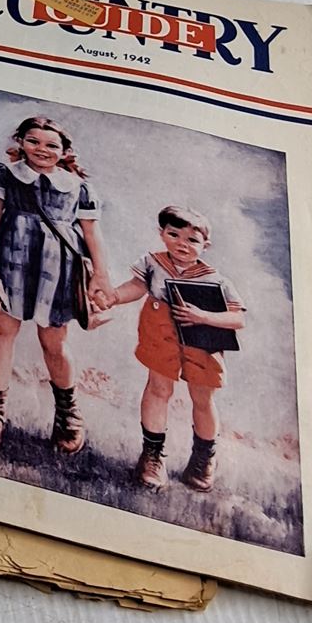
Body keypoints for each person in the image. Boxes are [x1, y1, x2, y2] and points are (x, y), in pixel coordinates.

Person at [0, 115, 111, 454]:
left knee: (54, 340)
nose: (41, 149)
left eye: (51, 145)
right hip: (11, 258)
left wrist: (101, 274)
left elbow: (91, 233)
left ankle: (68, 413)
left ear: (65, 150)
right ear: (20, 141)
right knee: (2, 330)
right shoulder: (5, 174)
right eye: (33, 141)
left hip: (57, 268)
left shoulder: (78, 187)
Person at [98, 206, 246, 492]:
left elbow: (238, 318)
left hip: (201, 338)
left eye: (192, 240)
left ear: (205, 245)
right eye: (174, 234)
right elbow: (136, 286)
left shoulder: (216, 279)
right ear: (162, 233)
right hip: (160, 331)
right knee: (158, 388)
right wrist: (114, 297)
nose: (182, 244)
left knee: (202, 397)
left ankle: (203, 460)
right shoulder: (152, 263)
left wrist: (203, 317)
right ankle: (152, 457)